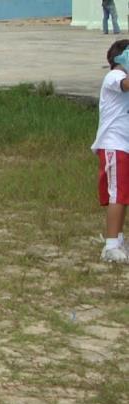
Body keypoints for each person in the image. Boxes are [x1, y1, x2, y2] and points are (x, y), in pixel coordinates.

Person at [92, 40, 129, 263]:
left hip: (124, 145)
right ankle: (110, 245)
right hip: (114, 145)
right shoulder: (114, 76)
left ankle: (119, 240)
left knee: (123, 195)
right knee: (117, 195)